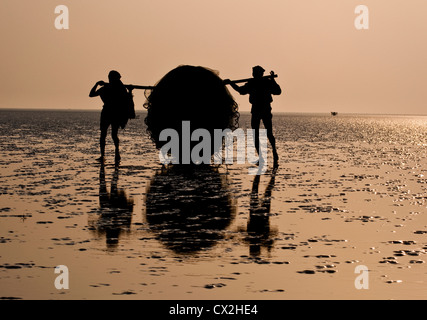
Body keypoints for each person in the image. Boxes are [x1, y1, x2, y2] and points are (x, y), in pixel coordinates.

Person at [225, 66, 281, 166]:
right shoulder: (253, 83)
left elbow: (278, 91)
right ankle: (262, 157)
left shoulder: (265, 82)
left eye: (255, 72)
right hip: (257, 110)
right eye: (253, 72)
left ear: (259, 74)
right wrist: (231, 83)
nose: (253, 74)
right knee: (257, 134)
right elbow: (241, 91)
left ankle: (274, 153)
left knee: (268, 133)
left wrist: (272, 80)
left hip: (263, 109)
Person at [89, 70, 135, 163]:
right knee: (110, 134)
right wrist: (129, 91)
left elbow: (91, 94)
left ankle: (109, 154)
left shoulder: (109, 88)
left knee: (107, 134)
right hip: (111, 113)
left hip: (110, 113)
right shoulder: (119, 89)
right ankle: (111, 154)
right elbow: (91, 95)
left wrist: (97, 84)